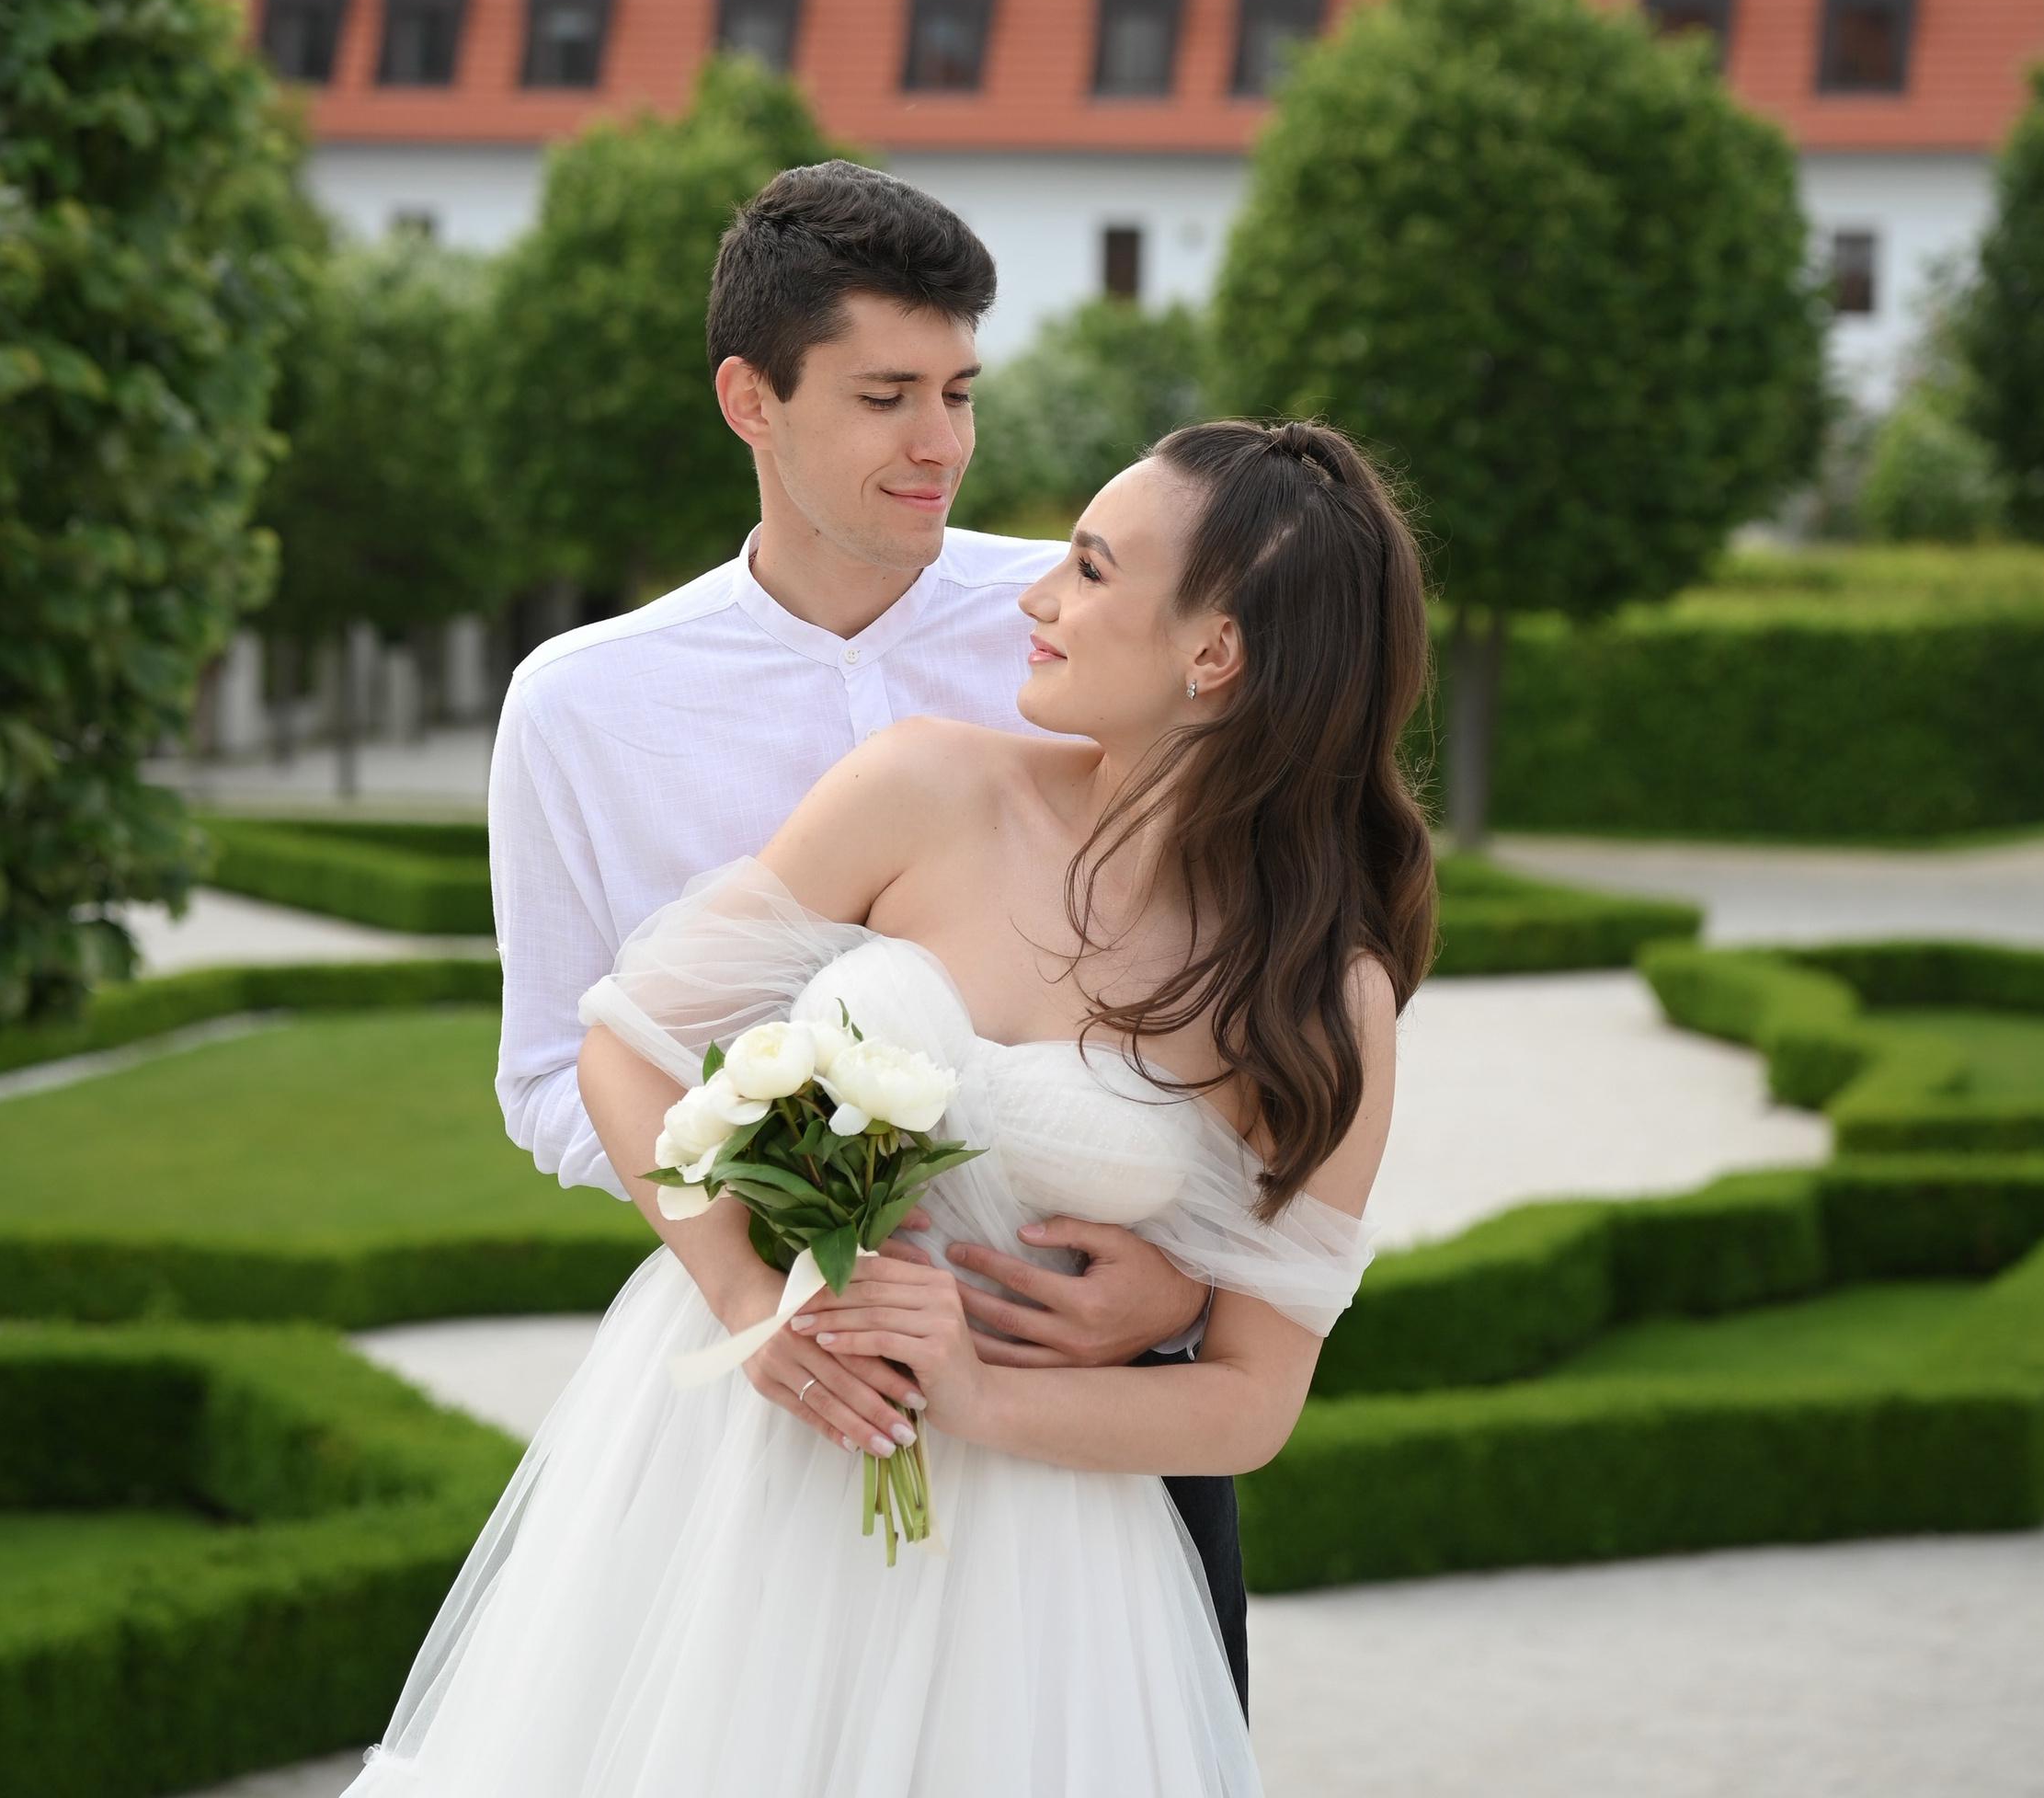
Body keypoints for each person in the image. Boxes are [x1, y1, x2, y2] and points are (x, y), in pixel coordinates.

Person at [352, 407, 1433, 1796]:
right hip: (738, 1474)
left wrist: (977, 1393)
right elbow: (624, 1050)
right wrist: (756, 1307)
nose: (1036, 596)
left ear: (1214, 654)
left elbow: (1249, 1403)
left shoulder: (1318, 998)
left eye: (1092, 572)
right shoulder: (924, 786)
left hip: (1045, 1570)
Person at [488, 161, 1250, 1689]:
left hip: (1086, 1391)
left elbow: (1254, 978)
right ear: (747, 400)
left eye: (963, 390)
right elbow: (556, 1076)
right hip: (764, 1398)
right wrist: (764, 1269)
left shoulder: (1080, 626)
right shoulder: (582, 706)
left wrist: (1189, 1283)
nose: (944, 445)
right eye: (889, 394)